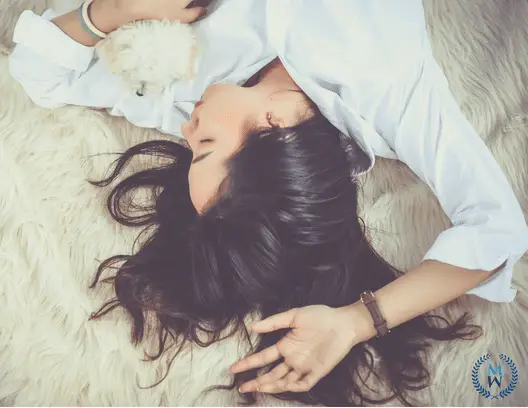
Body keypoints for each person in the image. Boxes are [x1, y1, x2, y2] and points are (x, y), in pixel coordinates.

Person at [7, 0, 528, 405]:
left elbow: (39, 71)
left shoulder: (191, 94)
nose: (186, 130)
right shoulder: (388, 86)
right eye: (205, 147)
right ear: (276, 128)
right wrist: (356, 321)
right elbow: (497, 231)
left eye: (189, 150)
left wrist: (111, 14)